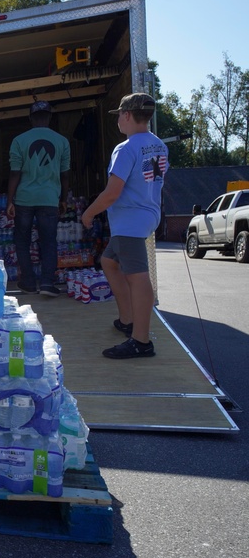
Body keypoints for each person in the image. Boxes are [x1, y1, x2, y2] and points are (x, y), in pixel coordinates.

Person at [82, 93, 168, 359]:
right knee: (109, 261)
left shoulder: (126, 148)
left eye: (120, 114)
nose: (118, 119)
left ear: (128, 115)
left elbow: (112, 193)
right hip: (146, 215)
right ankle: (127, 320)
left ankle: (141, 340)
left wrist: (88, 214)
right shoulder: (158, 145)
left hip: (129, 221)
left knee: (138, 278)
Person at [6, 100, 71, 296]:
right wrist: (63, 199)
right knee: (49, 241)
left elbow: (15, 173)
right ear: (50, 117)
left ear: (30, 118)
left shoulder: (19, 141)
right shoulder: (62, 141)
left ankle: (27, 282)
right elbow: (65, 174)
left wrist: (10, 200)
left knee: (22, 241)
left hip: (25, 199)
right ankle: (46, 284)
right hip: (50, 199)